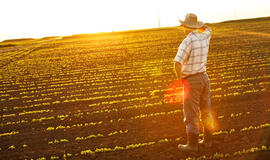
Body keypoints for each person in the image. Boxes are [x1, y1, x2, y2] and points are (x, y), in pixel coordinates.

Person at [174, 13, 214, 153]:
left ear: (185, 26)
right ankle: (208, 141)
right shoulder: (205, 36)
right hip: (204, 78)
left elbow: (177, 62)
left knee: (191, 114)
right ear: (196, 26)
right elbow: (208, 28)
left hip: (192, 81)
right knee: (206, 111)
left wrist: (180, 80)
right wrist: (200, 26)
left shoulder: (188, 41)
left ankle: (192, 145)